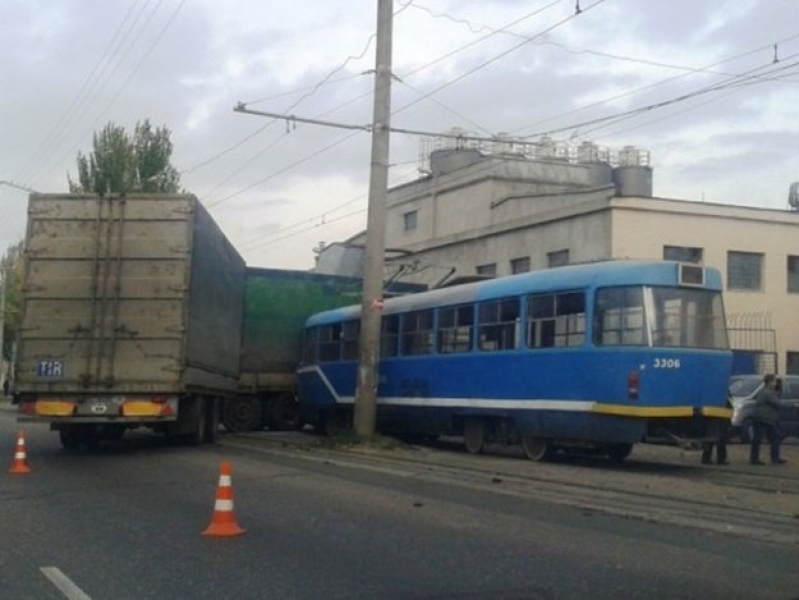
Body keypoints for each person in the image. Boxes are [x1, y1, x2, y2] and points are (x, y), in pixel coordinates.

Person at [749, 373, 786, 465]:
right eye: (774, 381)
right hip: (764, 419)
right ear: (769, 382)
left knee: (770, 438)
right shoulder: (767, 393)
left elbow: (777, 398)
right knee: (768, 438)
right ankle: (767, 458)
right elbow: (778, 403)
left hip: (763, 419)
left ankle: (769, 458)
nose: (775, 384)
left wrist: (779, 389)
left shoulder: (764, 391)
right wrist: (793, 405)